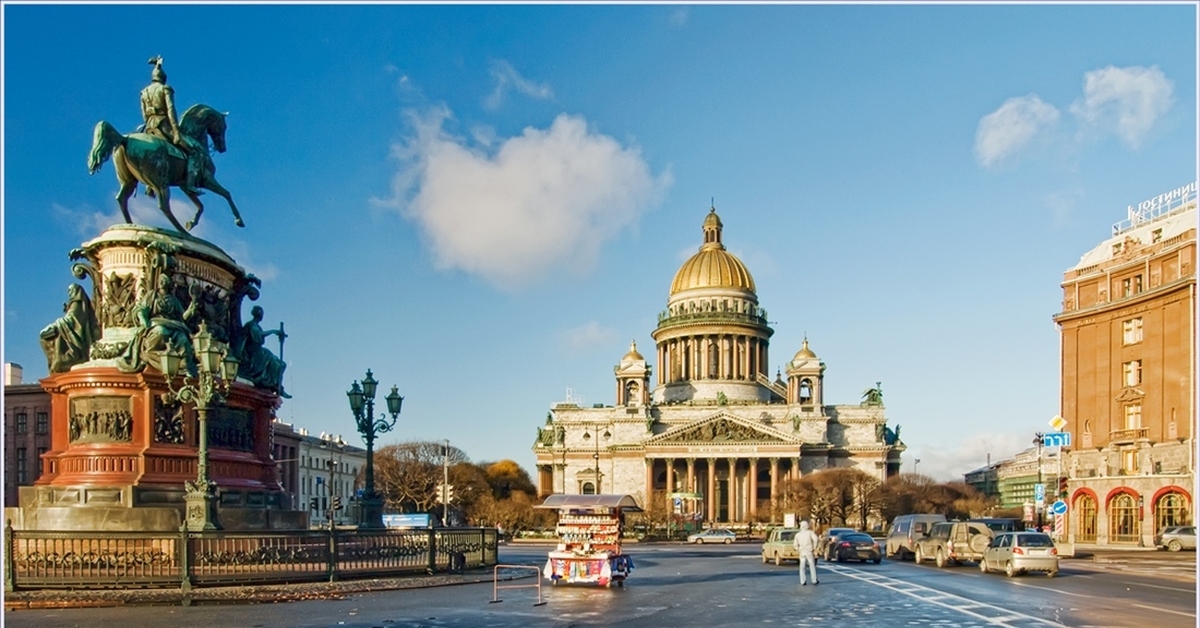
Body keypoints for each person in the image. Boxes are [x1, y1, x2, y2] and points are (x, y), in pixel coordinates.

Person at [140, 56, 200, 196]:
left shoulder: (144, 92)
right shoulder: (165, 89)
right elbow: (171, 110)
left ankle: (149, 185)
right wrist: (176, 131)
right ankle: (190, 184)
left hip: (149, 126)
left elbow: (144, 114)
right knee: (193, 151)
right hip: (163, 125)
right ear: (163, 78)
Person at [39, 284, 101, 373]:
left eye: (71, 290)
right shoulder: (77, 303)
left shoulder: (77, 302)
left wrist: (56, 325)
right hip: (72, 332)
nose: (69, 293)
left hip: (75, 336)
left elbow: (72, 319)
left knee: (46, 336)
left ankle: (63, 360)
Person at [793, 520, 820, 586]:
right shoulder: (810, 533)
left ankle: (803, 581)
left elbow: (795, 545)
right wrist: (814, 547)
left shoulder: (798, 535)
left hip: (802, 552)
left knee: (802, 566)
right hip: (809, 551)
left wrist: (798, 549)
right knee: (811, 565)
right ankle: (814, 580)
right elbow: (816, 539)